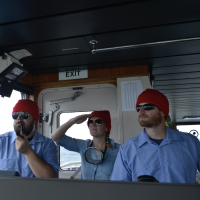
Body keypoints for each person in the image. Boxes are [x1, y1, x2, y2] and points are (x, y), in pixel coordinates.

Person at [110, 89, 200, 184]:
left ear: (162, 112)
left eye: (148, 107)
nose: (141, 111)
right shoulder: (127, 150)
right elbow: (119, 188)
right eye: (138, 108)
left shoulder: (191, 143)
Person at [51, 110, 120, 180]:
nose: (93, 124)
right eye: (90, 122)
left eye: (98, 122)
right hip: (84, 190)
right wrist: (73, 121)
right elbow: (55, 137)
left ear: (106, 128)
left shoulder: (119, 150)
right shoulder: (83, 145)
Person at [0, 99, 59, 178]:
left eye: (24, 115)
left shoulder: (47, 144)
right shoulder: (2, 141)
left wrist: (27, 151)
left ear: (34, 120)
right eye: (15, 115)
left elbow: (52, 179)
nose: (19, 118)